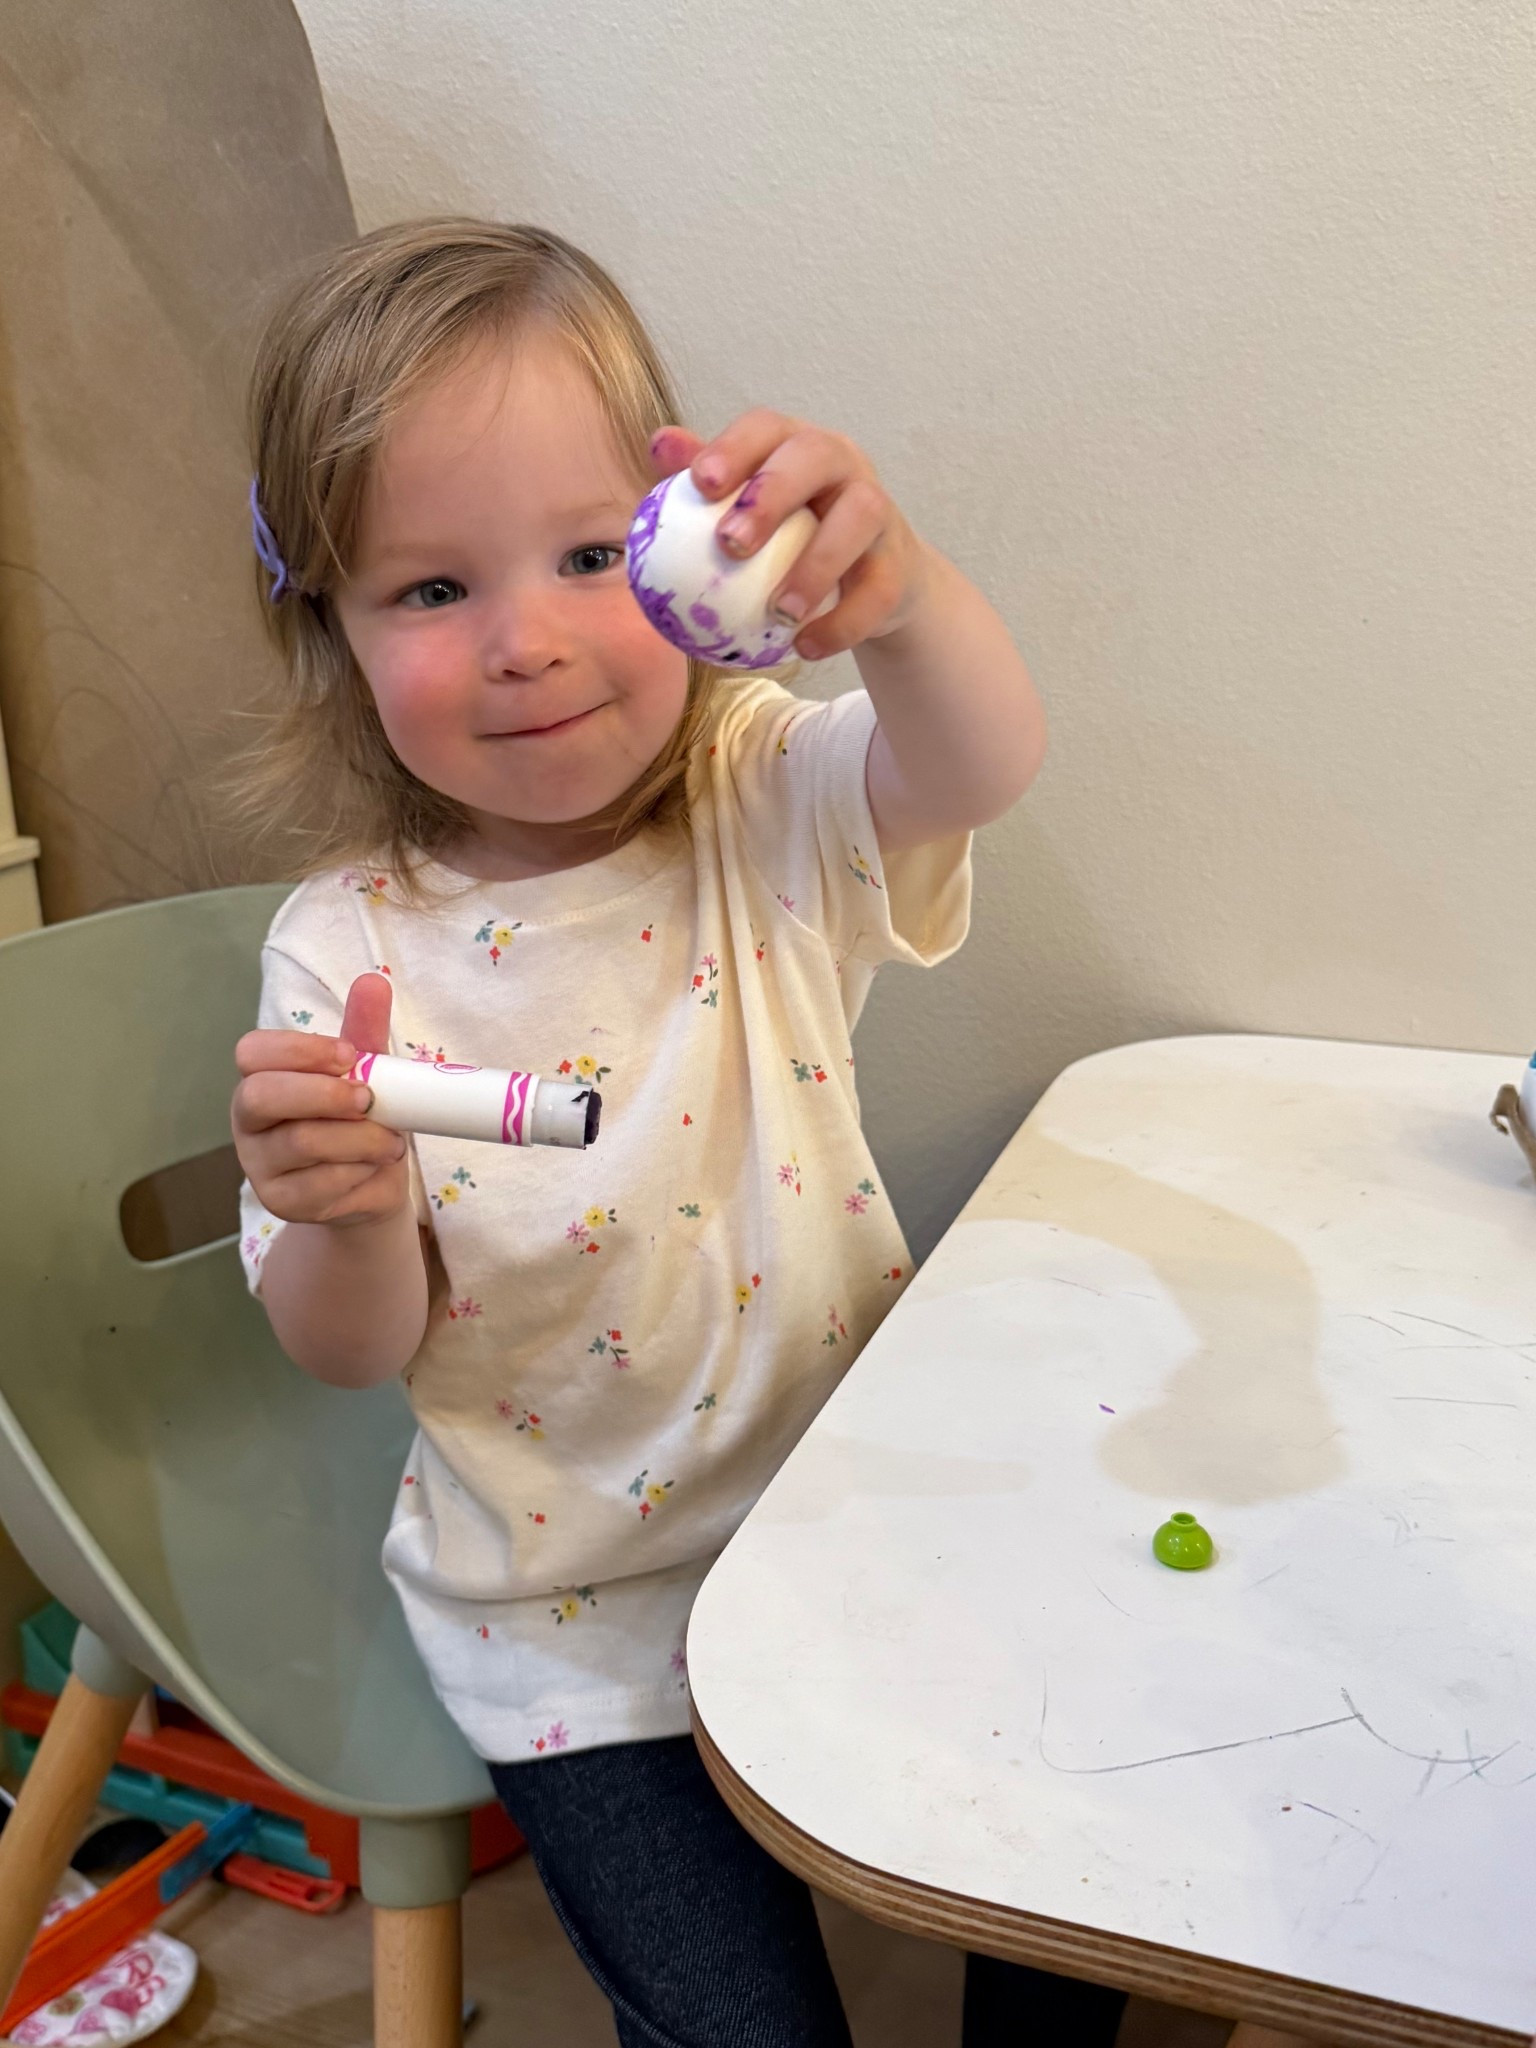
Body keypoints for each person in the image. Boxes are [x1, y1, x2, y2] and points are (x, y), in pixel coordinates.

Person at [229, 217, 1121, 2048]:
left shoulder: (757, 798)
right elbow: (347, 1350)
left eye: (581, 554)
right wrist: (336, 1217)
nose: (528, 644)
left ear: (677, 545)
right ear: (325, 623)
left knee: (1066, 1877)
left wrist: (905, 592)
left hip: (850, 1521)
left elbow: (978, 762)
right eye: (428, 589)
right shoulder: (342, 951)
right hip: (568, 1628)